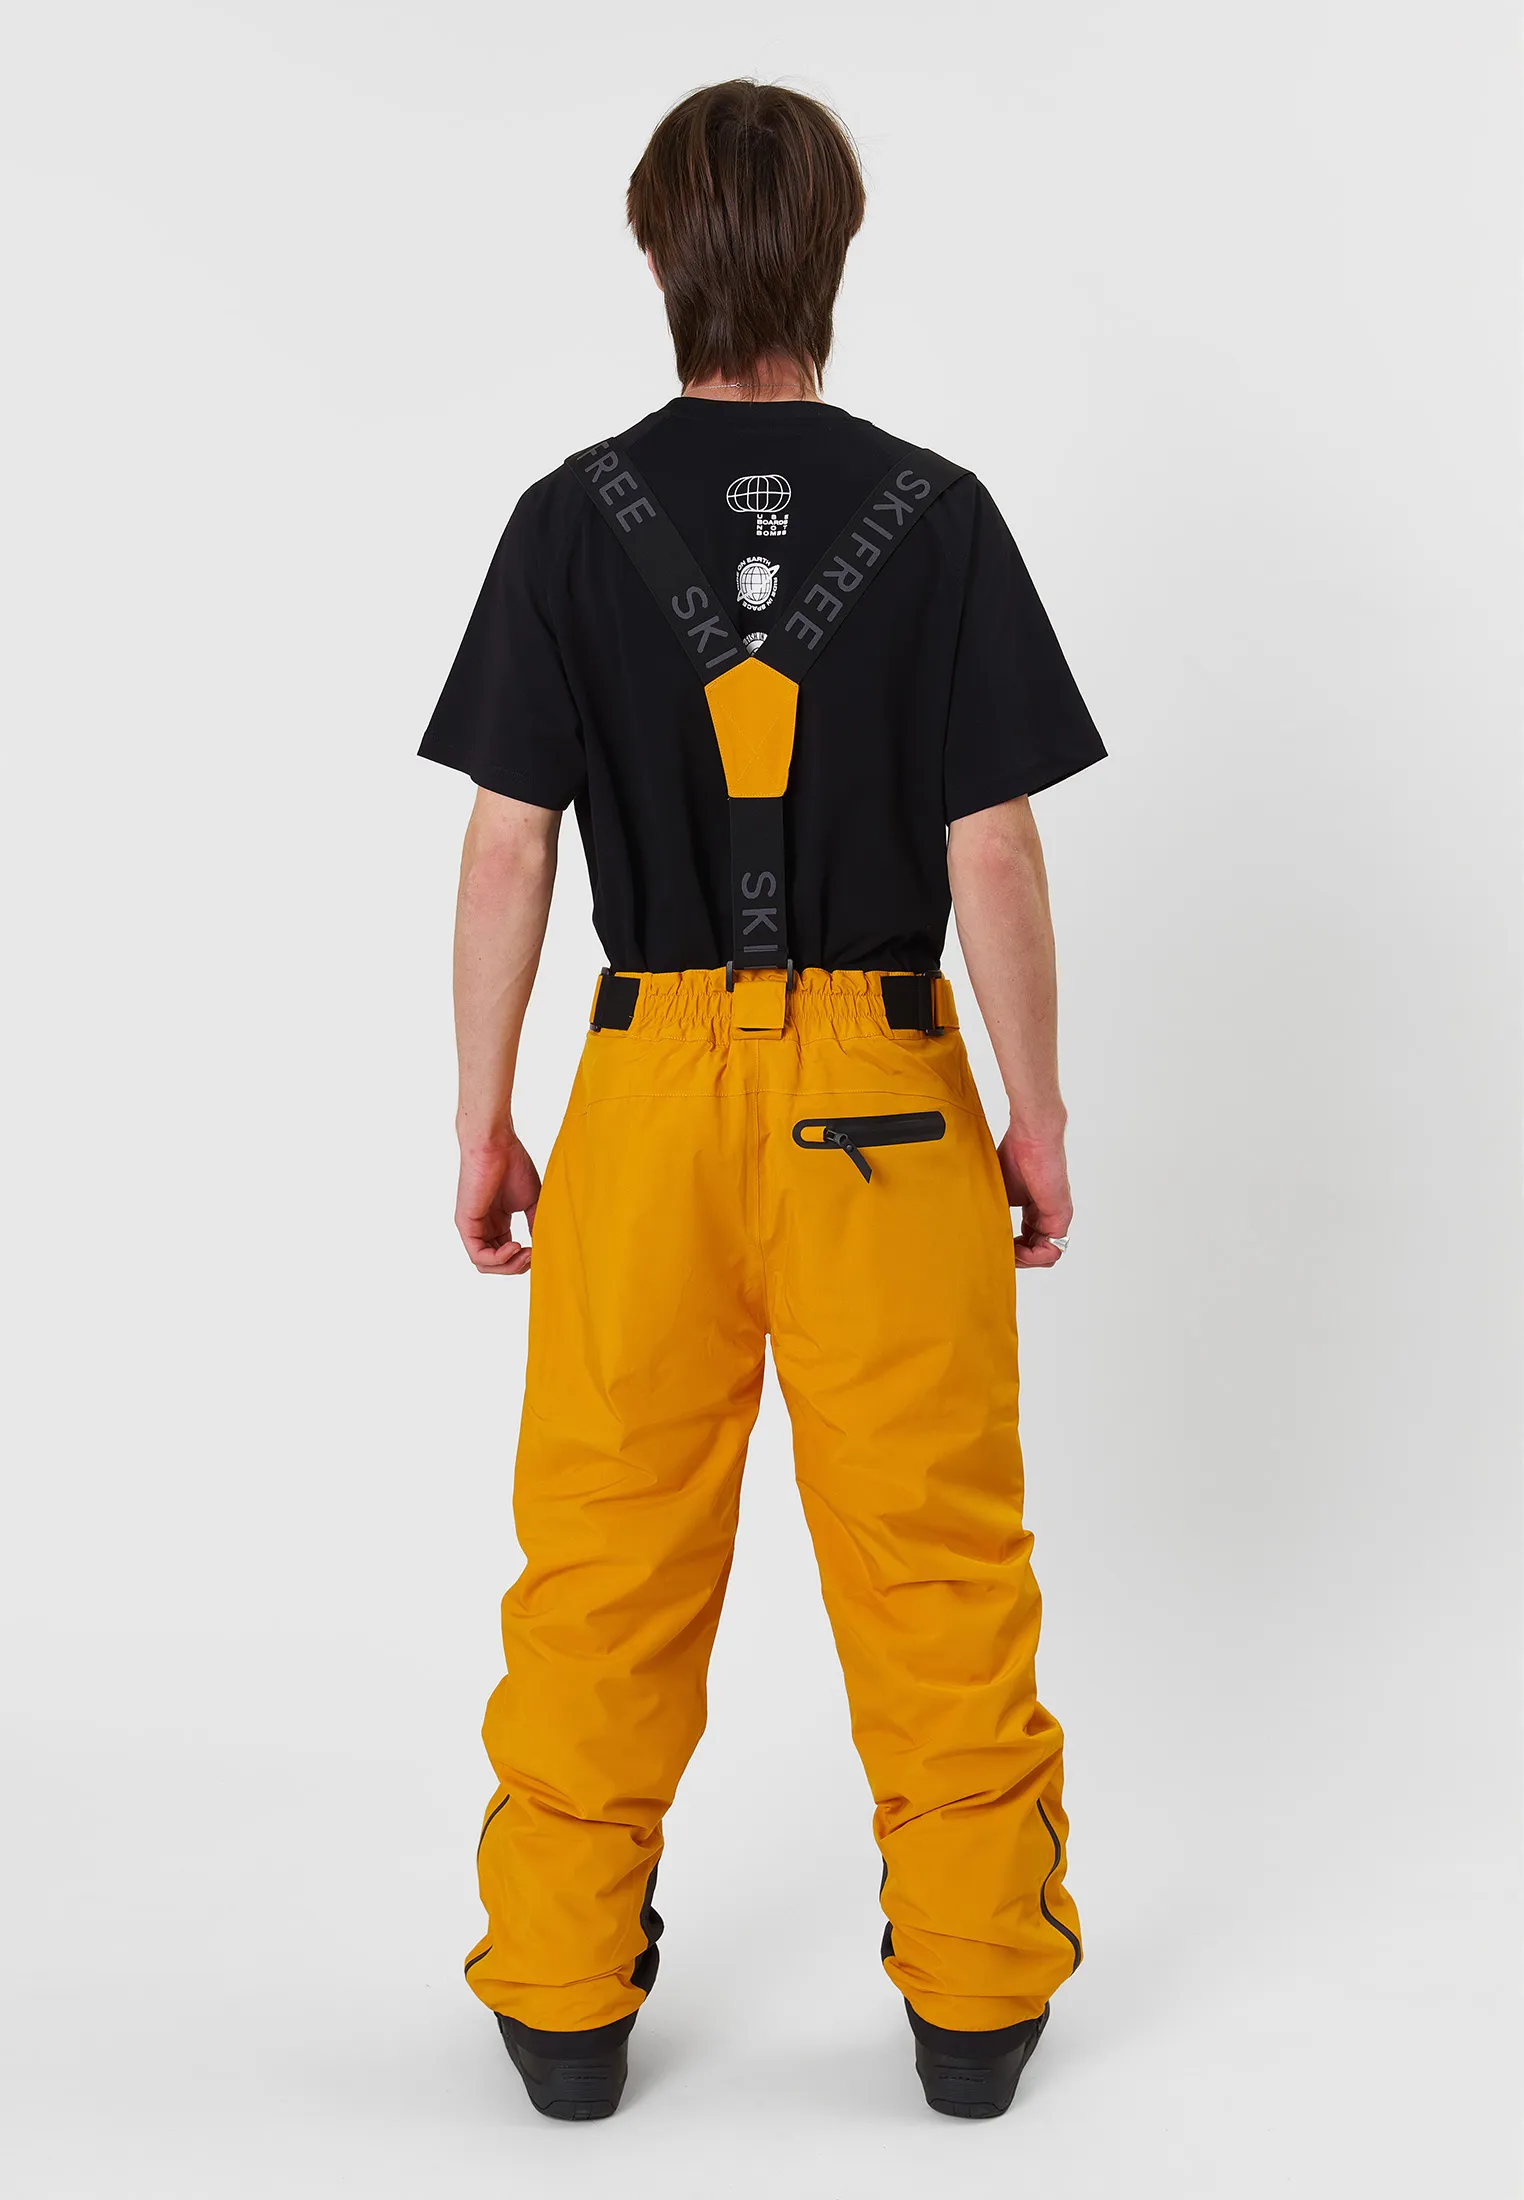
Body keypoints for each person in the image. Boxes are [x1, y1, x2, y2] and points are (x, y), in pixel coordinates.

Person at [418, 79, 1105, 2123]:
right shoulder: (938, 515)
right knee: (935, 1556)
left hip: (642, 1095)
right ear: (834, 252)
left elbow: (507, 848)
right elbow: (994, 851)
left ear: (662, 255)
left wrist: (484, 1113)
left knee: (606, 1549)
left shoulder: (570, 517)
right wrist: (1036, 1112)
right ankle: (976, 2007)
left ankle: (561, 2003)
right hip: (887, 1100)